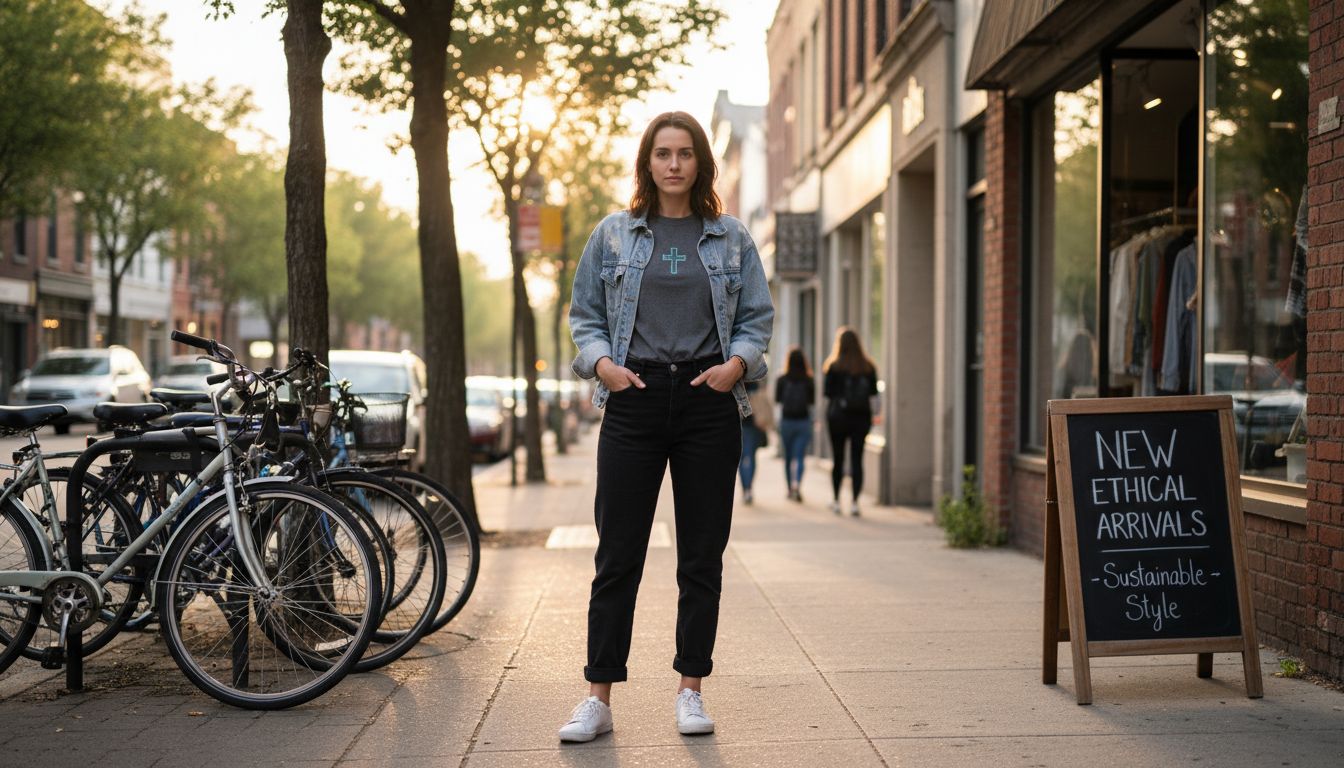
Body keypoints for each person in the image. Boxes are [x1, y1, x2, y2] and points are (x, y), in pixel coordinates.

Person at [561, 110, 774, 743]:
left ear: (701, 162)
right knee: (617, 553)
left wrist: (737, 365)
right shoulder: (614, 235)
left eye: (685, 153)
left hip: (711, 401)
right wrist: (603, 365)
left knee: (700, 555)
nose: (674, 164)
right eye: (663, 153)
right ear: (647, 163)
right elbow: (585, 315)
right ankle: (598, 696)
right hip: (636, 397)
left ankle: (690, 689)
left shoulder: (731, 237)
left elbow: (757, 317)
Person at [822, 327, 878, 516]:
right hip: (861, 418)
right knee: (857, 459)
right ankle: (854, 502)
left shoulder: (833, 366)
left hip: (838, 417)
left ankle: (837, 500)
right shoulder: (867, 366)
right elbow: (873, 394)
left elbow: (828, 393)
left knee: (838, 459)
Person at [775, 346, 815, 502]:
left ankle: (789, 488)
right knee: (799, 457)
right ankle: (797, 485)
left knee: (788, 456)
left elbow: (778, 400)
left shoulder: (782, 379)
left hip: (787, 421)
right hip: (803, 421)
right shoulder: (809, 379)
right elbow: (812, 402)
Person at [739, 380, 772, 505]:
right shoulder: (754, 375)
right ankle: (748, 488)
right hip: (754, 423)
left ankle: (745, 488)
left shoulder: (734, 376)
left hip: (740, 422)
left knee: (742, 458)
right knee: (751, 456)